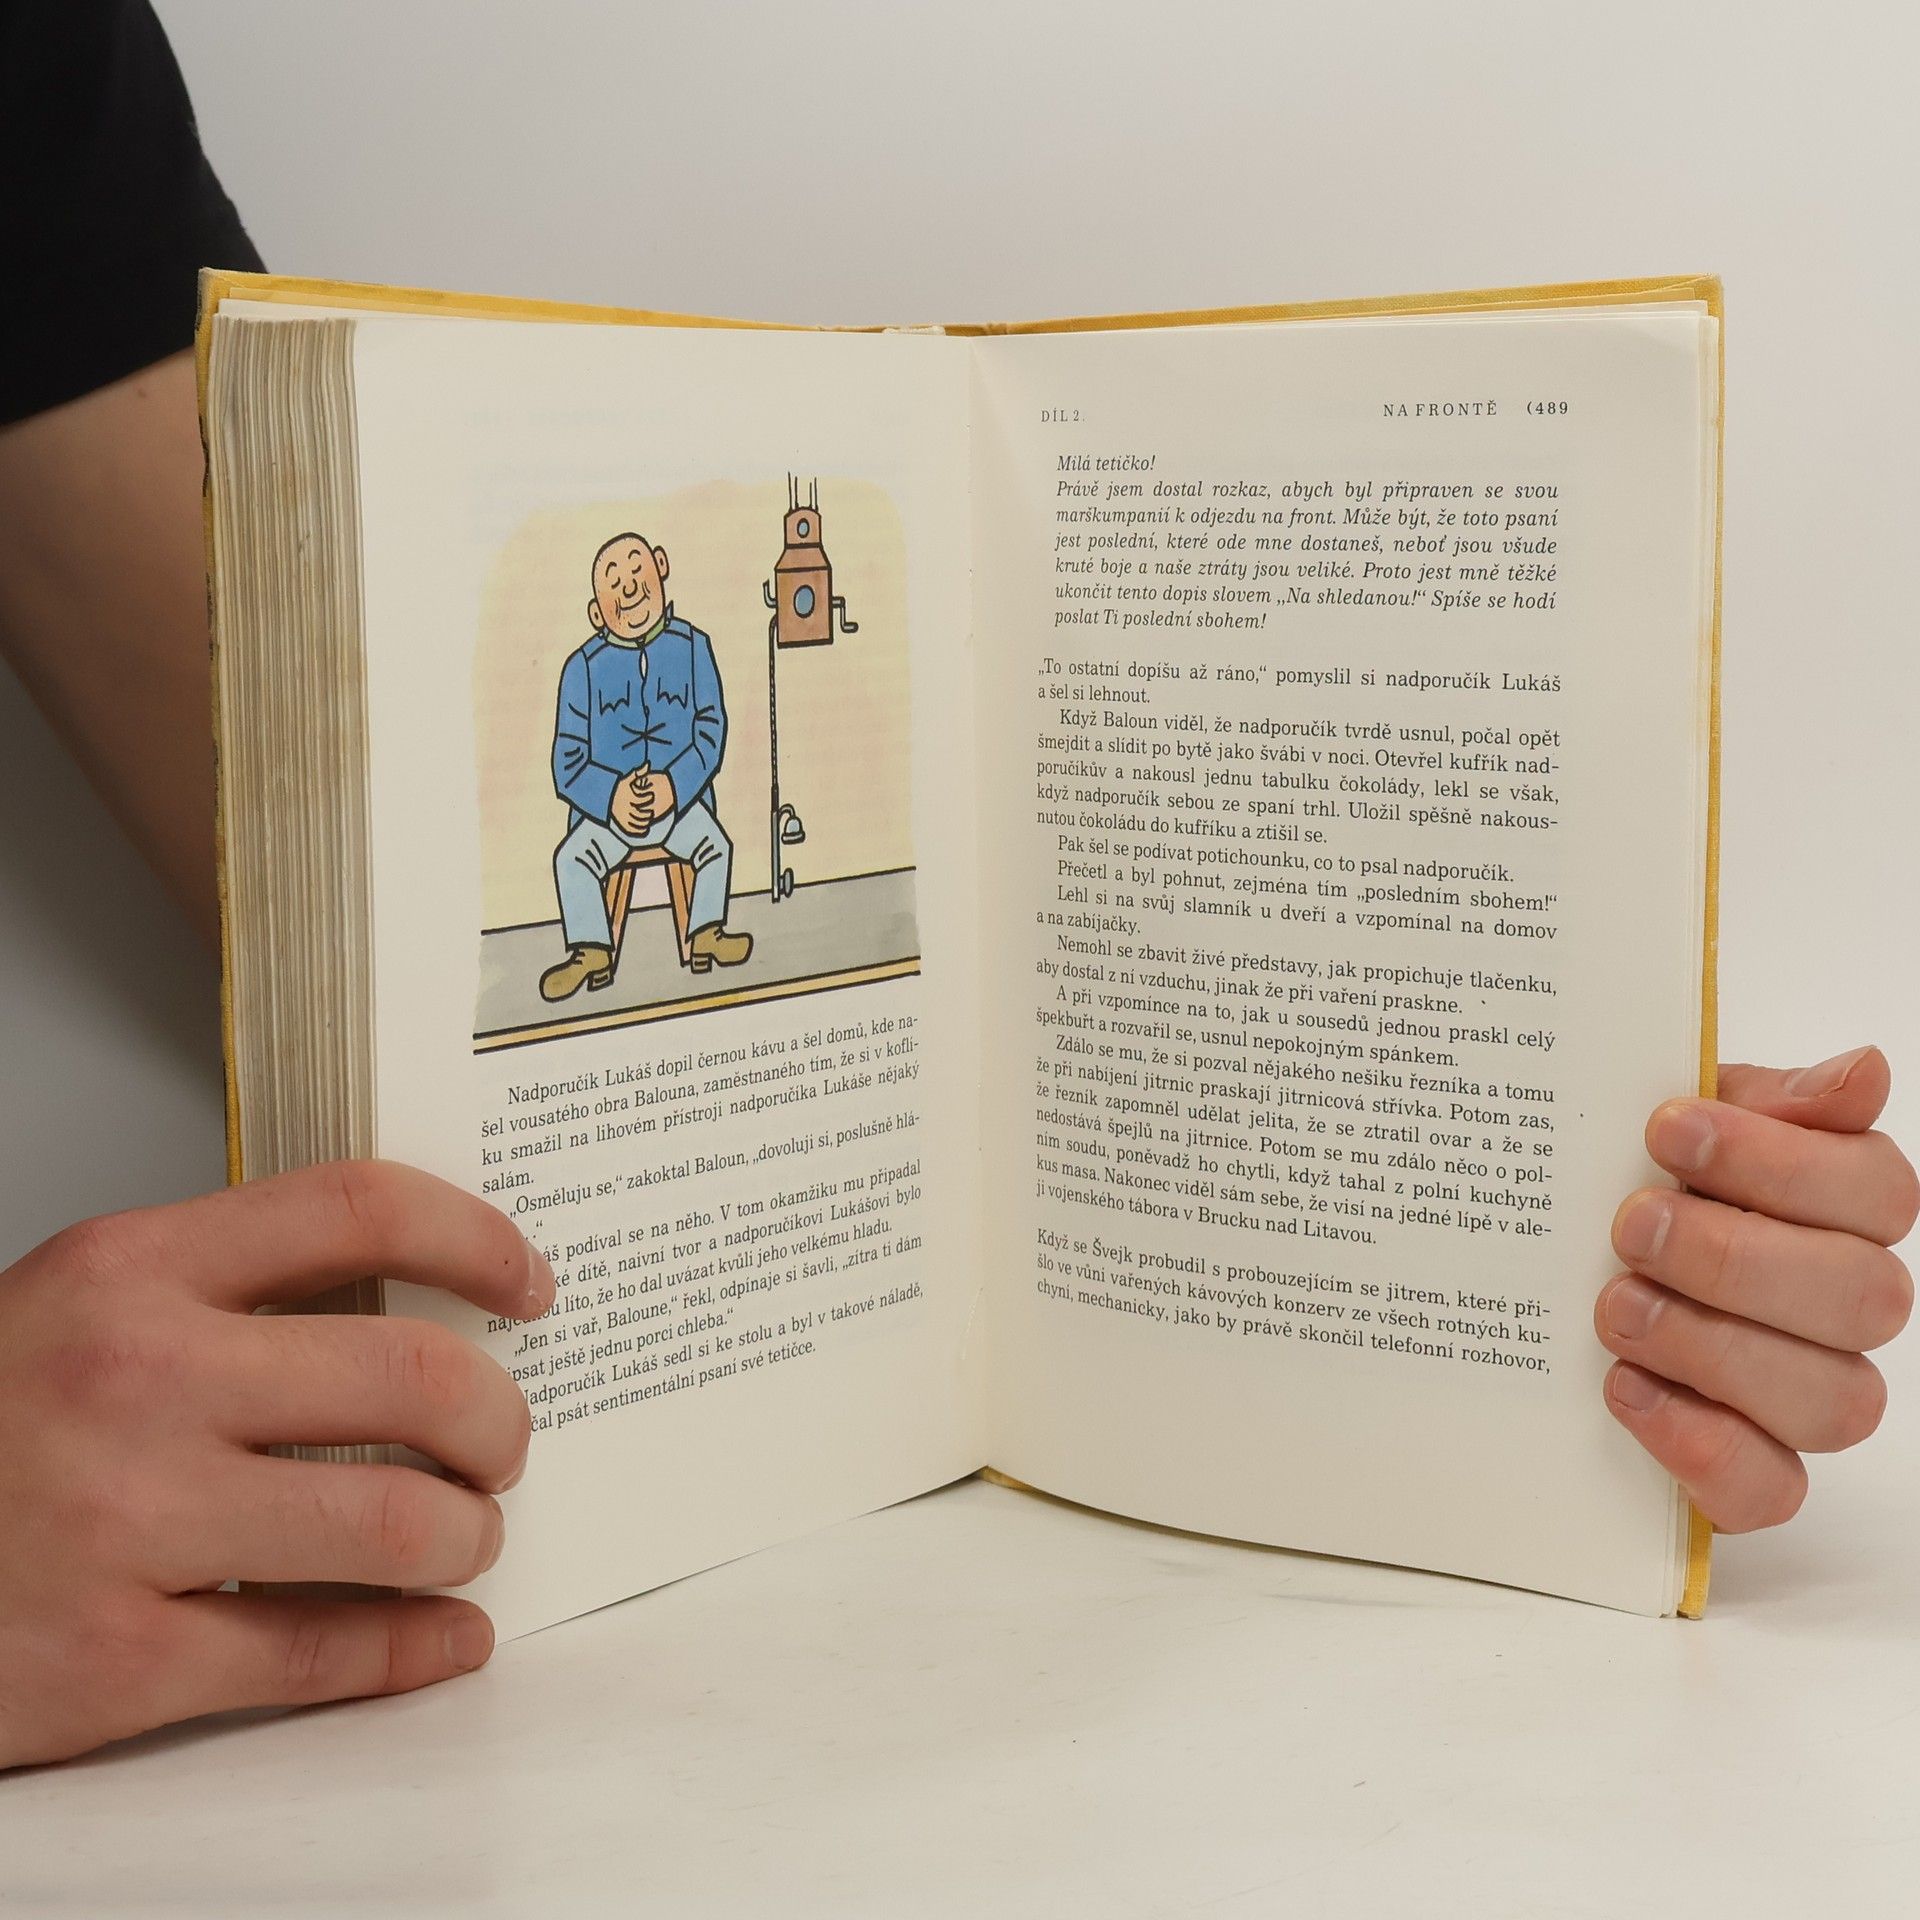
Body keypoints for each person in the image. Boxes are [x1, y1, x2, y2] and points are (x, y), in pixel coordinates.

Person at [0, 0, 1913, 1772]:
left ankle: (699, 917)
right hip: (600, 870)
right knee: (593, 862)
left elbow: (321, 818)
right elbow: (517, 780)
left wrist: (1570, 1181)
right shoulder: (591, 670)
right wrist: (608, 787)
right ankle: (611, 934)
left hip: (694, 827)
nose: (634, 597)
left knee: (703, 851)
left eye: (644, 582)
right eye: (622, 584)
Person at [541, 530, 753, 1003]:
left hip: (682, 808)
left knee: (717, 846)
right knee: (570, 859)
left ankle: (706, 932)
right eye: (615, 584)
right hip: (606, 820)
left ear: (661, 564)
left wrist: (674, 786)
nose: (631, 589)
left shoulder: (694, 645)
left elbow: (711, 731)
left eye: (638, 571)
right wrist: (611, 797)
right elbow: (566, 762)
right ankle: (591, 950)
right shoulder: (580, 668)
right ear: (596, 612)